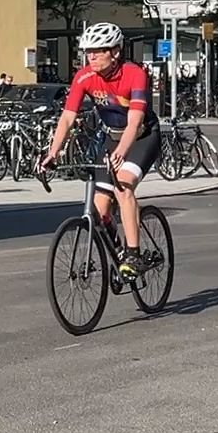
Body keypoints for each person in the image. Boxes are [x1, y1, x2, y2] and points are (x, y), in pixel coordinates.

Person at [38, 21, 160, 279]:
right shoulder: (84, 76)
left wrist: (122, 152)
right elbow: (68, 117)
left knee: (123, 185)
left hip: (142, 137)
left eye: (98, 50)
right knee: (100, 207)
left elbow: (135, 121)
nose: (90, 56)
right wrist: (53, 153)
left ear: (115, 52)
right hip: (111, 137)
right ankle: (117, 254)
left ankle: (134, 254)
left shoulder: (134, 73)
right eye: (87, 51)